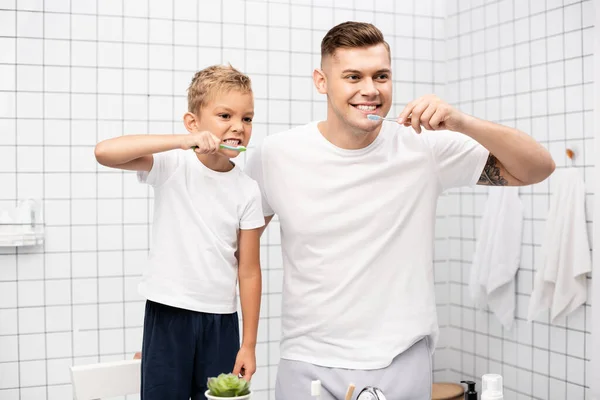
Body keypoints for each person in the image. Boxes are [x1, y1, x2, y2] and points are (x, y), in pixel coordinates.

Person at [244, 22, 555, 399]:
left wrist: (461, 122)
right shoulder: (276, 155)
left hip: (401, 358)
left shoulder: (425, 146)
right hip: (307, 360)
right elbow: (238, 249)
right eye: (353, 76)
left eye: (382, 76)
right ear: (321, 81)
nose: (370, 89)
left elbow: (538, 167)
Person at [94, 65, 264, 400]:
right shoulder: (173, 165)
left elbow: (249, 271)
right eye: (225, 115)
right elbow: (104, 152)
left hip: (221, 322)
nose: (238, 127)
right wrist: (182, 143)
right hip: (168, 313)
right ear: (193, 122)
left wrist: (249, 345)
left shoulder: (248, 191)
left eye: (247, 119)